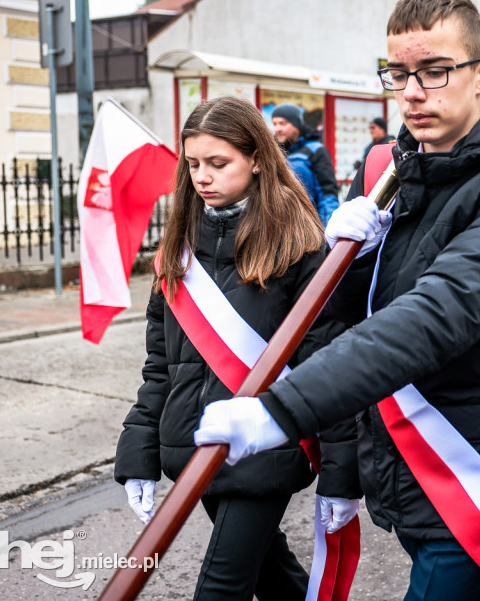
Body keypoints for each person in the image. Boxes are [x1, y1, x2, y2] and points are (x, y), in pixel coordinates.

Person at [193, 0, 480, 601]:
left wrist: (283, 408)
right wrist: (343, 260)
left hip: (470, 457)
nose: (413, 92)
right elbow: (356, 311)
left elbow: (432, 316)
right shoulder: (400, 173)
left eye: (436, 71)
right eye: (399, 73)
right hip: (401, 452)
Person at [114, 95, 352, 600]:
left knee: (221, 586)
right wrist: (139, 450)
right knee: (270, 569)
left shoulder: (300, 245)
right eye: (194, 164)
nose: (202, 176)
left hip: (268, 446)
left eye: (218, 163)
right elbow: (162, 367)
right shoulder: (175, 248)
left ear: (258, 159)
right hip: (196, 444)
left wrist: (341, 470)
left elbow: (328, 364)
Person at [272, 103, 340, 225]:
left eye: (282, 123)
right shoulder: (275, 154)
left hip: (310, 226)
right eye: (275, 124)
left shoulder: (316, 150)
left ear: (297, 124)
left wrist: (328, 229)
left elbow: (328, 193)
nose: (277, 129)